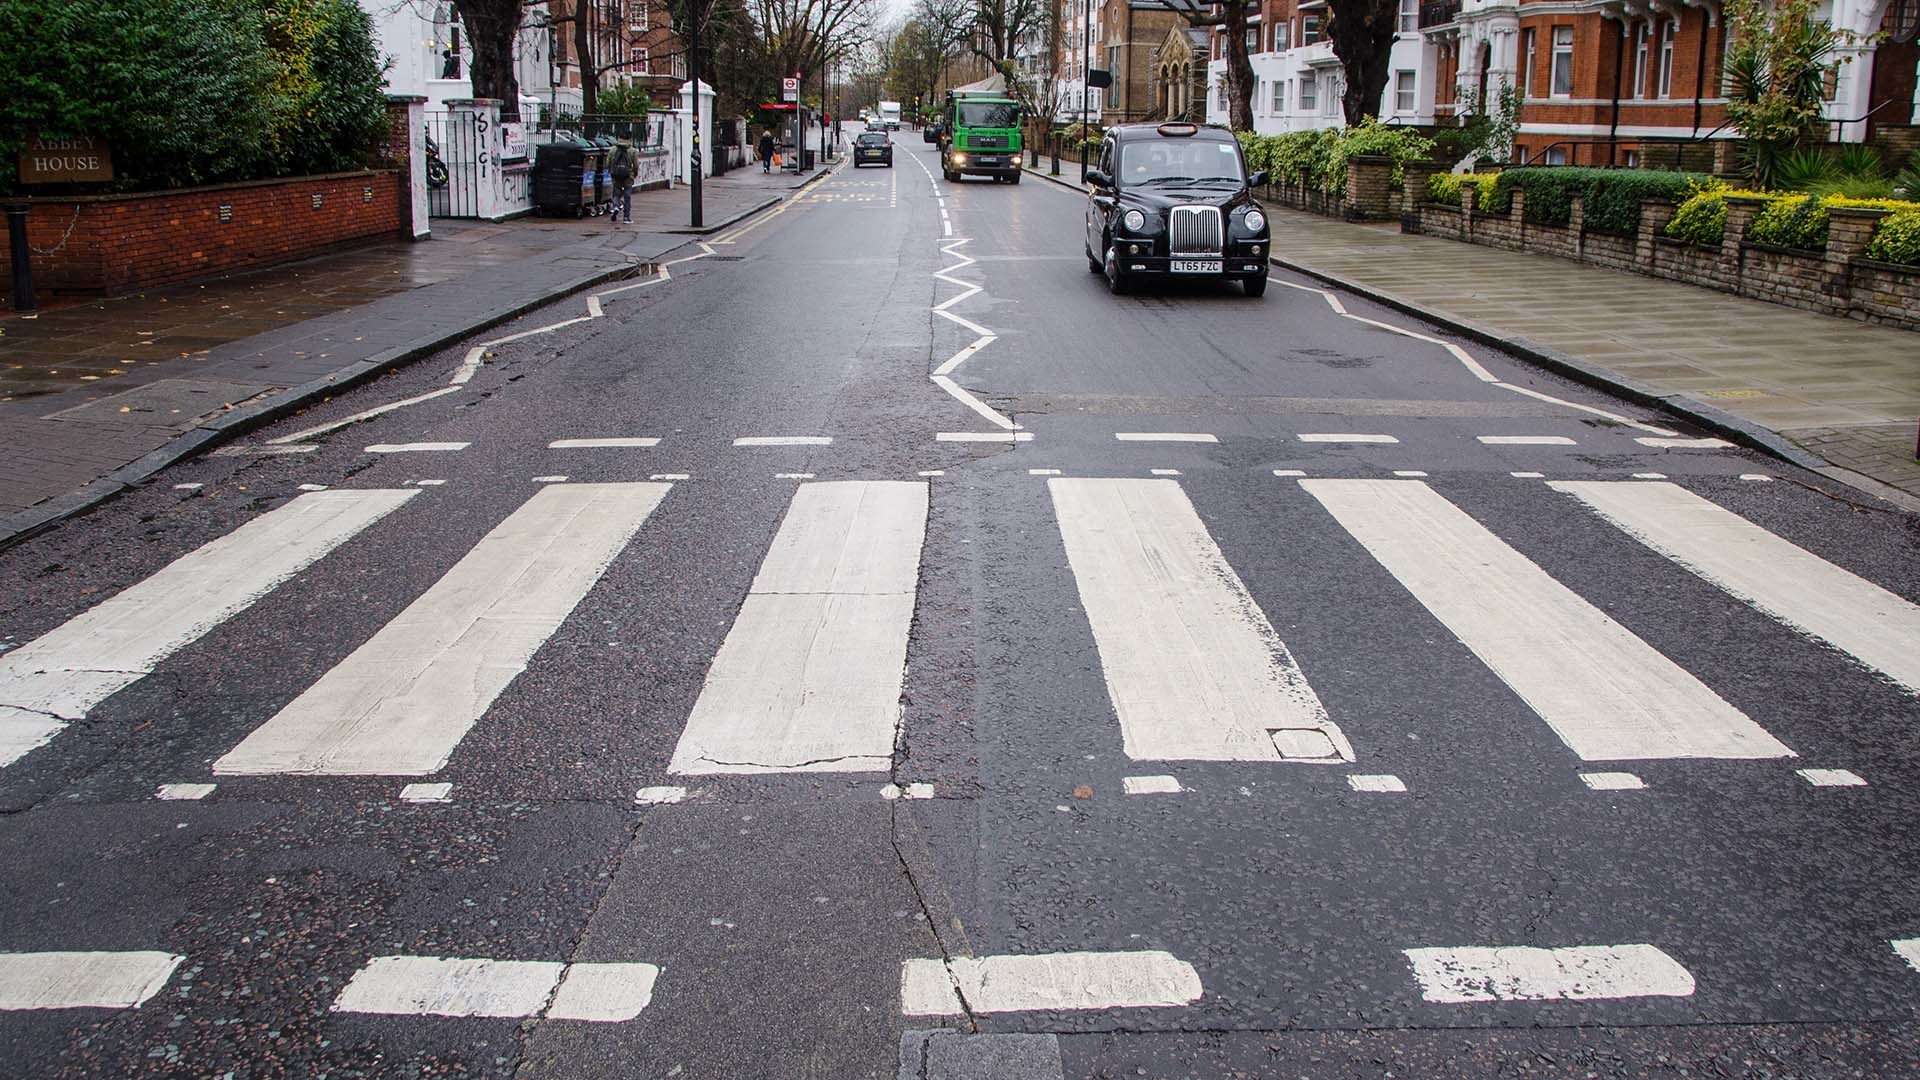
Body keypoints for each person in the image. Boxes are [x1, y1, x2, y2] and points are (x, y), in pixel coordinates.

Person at [607, 139, 635, 225]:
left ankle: (615, 206)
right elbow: (636, 164)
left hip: (616, 175)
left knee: (616, 193)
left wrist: (611, 172)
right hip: (628, 176)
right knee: (627, 196)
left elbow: (608, 162)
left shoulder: (612, 149)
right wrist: (634, 174)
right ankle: (626, 217)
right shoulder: (632, 150)